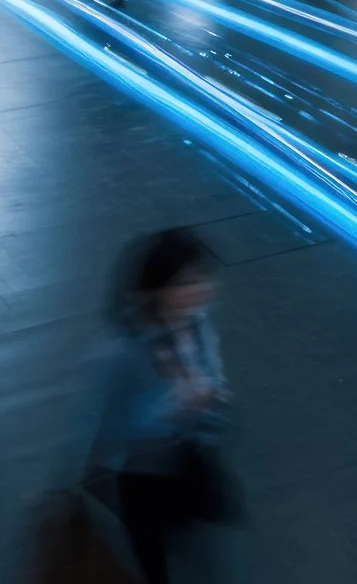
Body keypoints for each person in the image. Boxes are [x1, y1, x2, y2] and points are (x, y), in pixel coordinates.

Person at [87, 228, 232, 584]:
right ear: (157, 288)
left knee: (195, 552)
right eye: (186, 282)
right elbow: (114, 423)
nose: (199, 290)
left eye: (203, 278)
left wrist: (211, 391)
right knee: (152, 562)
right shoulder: (125, 351)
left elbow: (213, 373)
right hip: (143, 477)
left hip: (188, 460)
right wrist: (178, 405)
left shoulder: (198, 325)